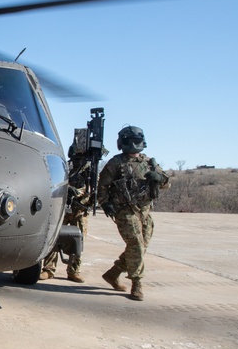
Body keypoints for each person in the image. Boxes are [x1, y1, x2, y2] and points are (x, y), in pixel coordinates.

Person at [97, 126, 170, 301]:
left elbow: (166, 183)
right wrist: (105, 203)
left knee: (140, 247)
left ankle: (113, 274)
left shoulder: (149, 162)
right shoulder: (115, 163)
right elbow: (103, 186)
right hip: (124, 211)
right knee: (136, 245)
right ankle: (137, 283)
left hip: (144, 211)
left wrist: (159, 178)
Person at [40, 144, 96, 282]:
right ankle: (48, 269)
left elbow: (93, 189)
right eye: (75, 157)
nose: (78, 161)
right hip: (63, 208)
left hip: (80, 210)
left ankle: (73, 271)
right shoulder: (65, 167)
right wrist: (68, 189)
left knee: (78, 241)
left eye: (80, 158)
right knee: (54, 238)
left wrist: (82, 194)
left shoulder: (90, 172)